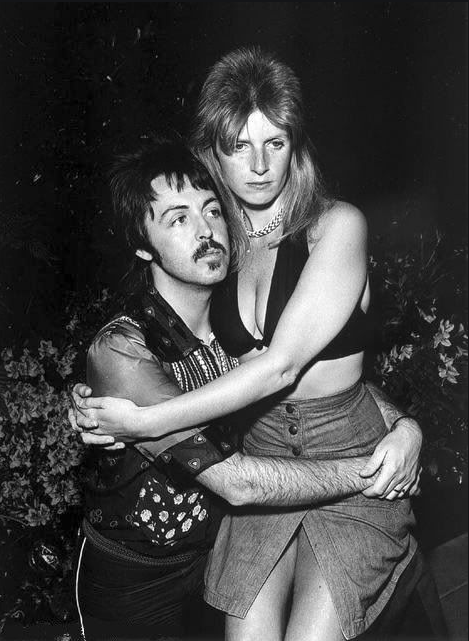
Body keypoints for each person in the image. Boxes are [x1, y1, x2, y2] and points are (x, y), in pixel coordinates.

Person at [71, 48, 440, 641]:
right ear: (212, 153)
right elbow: (165, 349)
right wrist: (101, 389)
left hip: (345, 452)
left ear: (297, 144)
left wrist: (145, 422)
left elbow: (286, 366)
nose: (260, 165)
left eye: (275, 142)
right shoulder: (223, 244)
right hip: (262, 461)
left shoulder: (335, 226)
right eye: (239, 145)